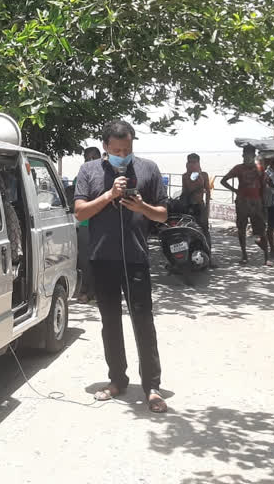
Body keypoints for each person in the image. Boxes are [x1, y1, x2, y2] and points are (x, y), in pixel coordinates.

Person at [74, 120, 168, 413]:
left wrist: (142, 208)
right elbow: (79, 213)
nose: (122, 154)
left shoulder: (148, 169)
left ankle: (152, 386)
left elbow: (163, 215)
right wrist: (108, 196)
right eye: (116, 150)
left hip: (136, 258)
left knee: (143, 322)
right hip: (102, 259)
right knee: (110, 323)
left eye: (127, 149)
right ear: (105, 147)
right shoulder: (88, 171)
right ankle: (117, 381)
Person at [221, 145, 271, 265]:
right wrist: (235, 191)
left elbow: (263, 187)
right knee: (241, 229)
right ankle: (244, 255)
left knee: (262, 230)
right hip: (242, 202)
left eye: (250, 155)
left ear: (253, 156)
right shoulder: (238, 168)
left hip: (256, 202)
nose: (247, 157)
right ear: (243, 155)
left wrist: (264, 204)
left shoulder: (259, 168)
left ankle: (266, 257)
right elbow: (223, 181)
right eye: (245, 155)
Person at [74, 146, 102, 303]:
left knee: (101, 260)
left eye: (94, 158)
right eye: (87, 158)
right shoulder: (81, 176)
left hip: (102, 225)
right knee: (85, 260)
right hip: (85, 224)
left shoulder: (107, 176)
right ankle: (85, 291)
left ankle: (97, 291)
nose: (91, 161)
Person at [181, 153, 211, 244]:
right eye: (189, 162)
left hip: (200, 205)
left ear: (198, 163)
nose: (191, 164)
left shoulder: (204, 175)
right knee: (187, 229)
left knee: (204, 229)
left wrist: (207, 207)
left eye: (194, 162)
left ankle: (207, 248)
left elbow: (208, 192)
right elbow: (184, 191)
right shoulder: (185, 176)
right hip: (188, 205)